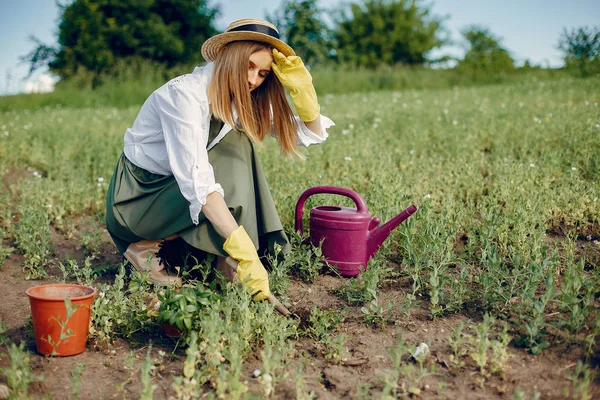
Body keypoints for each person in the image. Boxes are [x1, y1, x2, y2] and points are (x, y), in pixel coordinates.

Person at [105, 19, 334, 301]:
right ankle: (146, 249)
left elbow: (308, 133)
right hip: (139, 201)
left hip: (175, 199)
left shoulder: (239, 99)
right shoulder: (182, 95)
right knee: (231, 152)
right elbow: (198, 183)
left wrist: (304, 91)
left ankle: (223, 260)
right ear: (230, 56)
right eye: (249, 66)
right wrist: (245, 252)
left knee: (239, 143)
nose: (253, 80)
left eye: (263, 73)